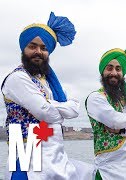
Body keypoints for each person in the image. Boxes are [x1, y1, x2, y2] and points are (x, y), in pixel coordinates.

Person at [1, 12, 93, 180]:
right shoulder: (17, 78)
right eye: (33, 46)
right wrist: (55, 108)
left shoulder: (48, 81)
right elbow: (45, 112)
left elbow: (74, 110)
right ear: (23, 49)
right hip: (27, 154)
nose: (38, 51)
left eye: (44, 48)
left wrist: (49, 104)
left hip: (53, 154)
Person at [85, 42, 126, 180]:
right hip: (109, 172)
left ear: (123, 73)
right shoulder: (95, 98)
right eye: (109, 68)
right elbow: (115, 120)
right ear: (103, 71)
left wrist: (123, 131)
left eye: (118, 69)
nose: (114, 73)